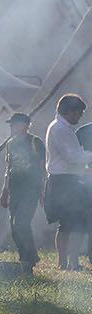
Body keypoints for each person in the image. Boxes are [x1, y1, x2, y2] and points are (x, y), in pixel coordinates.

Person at [43, 94, 92, 271]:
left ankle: (69, 262)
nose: (80, 116)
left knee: (71, 223)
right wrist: (89, 156)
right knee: (70, 223)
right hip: (65, 181)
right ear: (70, 111)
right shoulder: (60, 129)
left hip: (67, 179)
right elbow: (71, 156)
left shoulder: (64, 128)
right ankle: (67, 262)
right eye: (79, 112)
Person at [0, 113, 45, 274]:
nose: (12, 127)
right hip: (15, 189)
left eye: (14, 124)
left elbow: (42, 168)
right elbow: (8, 168)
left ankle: (30, 257)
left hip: (30, 189)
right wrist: (4, 190)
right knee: (14, 225)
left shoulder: (35, 142)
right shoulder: (10, 144)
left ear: (24, 125)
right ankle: (25, 256)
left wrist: (42, 190)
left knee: (22, 222)